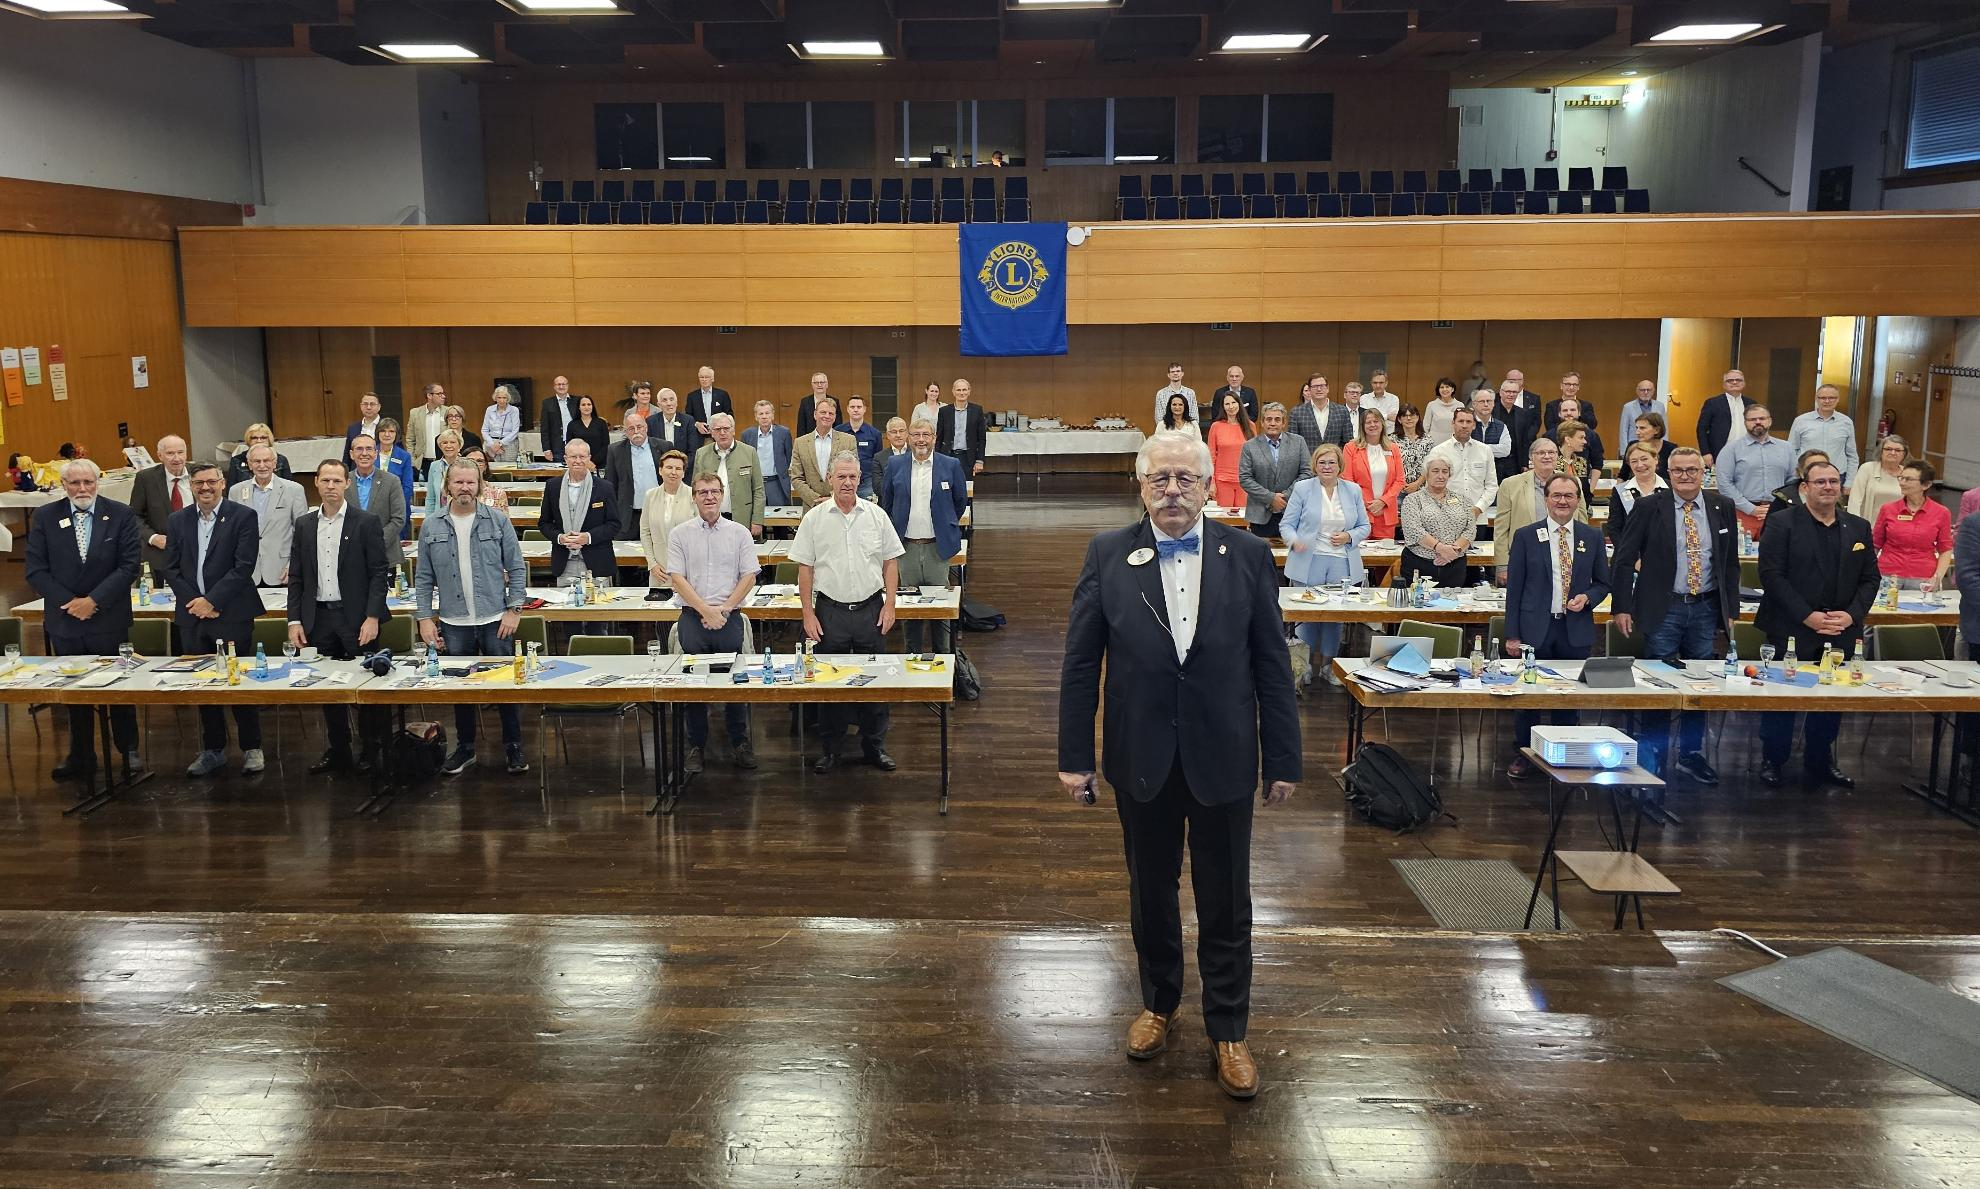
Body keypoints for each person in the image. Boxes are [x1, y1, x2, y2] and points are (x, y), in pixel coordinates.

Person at [1056, 429, 1298, 1101]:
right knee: (1151, 893)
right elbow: (1080, 667)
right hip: (1142, 759)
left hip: (1224, 756)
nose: (1170, 490)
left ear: (1206, 486)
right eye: (1158, 478)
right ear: (1141, 486)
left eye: (1183, 479)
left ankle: (1228, 1027)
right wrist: (1074, 755)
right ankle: (1159, 1002)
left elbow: (1274, 668)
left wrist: (1283, 755)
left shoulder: (1247, 554)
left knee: (1227, 900)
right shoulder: (1107, 554)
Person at [1610, 446, 1738, 784]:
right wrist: (1621, 606)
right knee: (1659, 683)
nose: (1685, 476)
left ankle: (1690, 754)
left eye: (1692, 470)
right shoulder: (1649, 506)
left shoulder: (1721, 506)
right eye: (1678, 470)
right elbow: (1624, 559)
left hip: (1706, 607)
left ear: (1702, 472)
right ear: (1668, 472)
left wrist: (1731, 612)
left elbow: (1730, 563)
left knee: (1700, 686)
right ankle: (1652, 752)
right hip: (1663, 606)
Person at [1754, 461, 1878, 789]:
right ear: (1804, 488)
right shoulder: (1781, 523)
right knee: (1782, 697)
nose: (1827, 487)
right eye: (1820, 481)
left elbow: (1870, 578)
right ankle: (1773, 759)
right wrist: (1807, 615)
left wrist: (1851, 615)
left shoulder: (1859, 527)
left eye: (1833, 481)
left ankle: (1820, 759)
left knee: (1831, 697)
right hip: (1791, 626)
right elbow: (1771, 576)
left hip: (1840, 627)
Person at [26, 458, 142, 782]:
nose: (82, 489)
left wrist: (93, 601)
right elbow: (35, 569)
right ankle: (80, 755)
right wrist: (70, 603)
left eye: (87, 482)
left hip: (109, 617)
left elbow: (129, 565)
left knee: (119, 689)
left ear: (97, 482)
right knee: (74, 692)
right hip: (65, 621)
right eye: (74, 483)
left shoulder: (120, 514)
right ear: (63, 486)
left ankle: (128, 750)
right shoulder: (46, 516)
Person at [415, 457, 530, 776]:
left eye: (470, 482)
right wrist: (425, 618)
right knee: (461, 691)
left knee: (504, 687)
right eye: (458, 482)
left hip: (496, 619)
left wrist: (514, 608)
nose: (464, 488)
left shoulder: (497, 521)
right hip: (454, 623)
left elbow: (517, 567)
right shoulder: (432, 525)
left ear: (479, 485)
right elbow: (423, 577)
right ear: (447, 486)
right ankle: (465, 748)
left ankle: (514, 746)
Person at [792, 453, 904, 774]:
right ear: (830, 478)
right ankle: (831, 750)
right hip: (830, 612)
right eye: (841, 476)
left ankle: (874, 747)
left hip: (871, 609)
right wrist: (808, 614)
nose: (847, 483)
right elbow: (805, 569)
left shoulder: (876, 515)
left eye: (853, 477)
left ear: (860, 478)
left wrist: (891, 603)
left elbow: (890, 562)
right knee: (831, 683)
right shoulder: (814, 519)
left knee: (875, 683)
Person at [1503, 474, 1612, 781]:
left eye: (1569, 495)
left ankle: (1564, 752)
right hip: (1533, 629)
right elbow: (1515, 589)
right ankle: (1524, 753)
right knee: (1529, 697)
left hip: (1574, 630)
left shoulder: (1590, 537)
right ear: (1546, 499)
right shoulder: (1526, 536)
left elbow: (1604, 583)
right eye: (1556, 495)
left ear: (1578, 499)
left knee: (1569, 696)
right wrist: (1512, 634)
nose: (1562, 501)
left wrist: (1587, 598)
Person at [287, 459, 391, 775]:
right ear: (316, 483)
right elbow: (297, 577)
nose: (331, 486)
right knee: (328, 690)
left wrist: (372, 616)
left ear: (346, 483)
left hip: (357, 618)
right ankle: (339, 749)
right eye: (325, 480)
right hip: (318, 618)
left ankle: (371, 750)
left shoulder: (366, 521)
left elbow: (378, 573)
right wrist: (294, 620)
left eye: (337, 480)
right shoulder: (304, 524)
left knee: (368, 686)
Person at [163, 461, 265, 777]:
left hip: (231, 613)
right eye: (198, 483)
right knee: (203, 686)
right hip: (192, 615)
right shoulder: (177, 520)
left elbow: (243, 566)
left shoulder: (242, 516)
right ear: (190, 486)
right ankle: (213, 749)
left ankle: (252, 747)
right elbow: (171, 568)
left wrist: (213, 601)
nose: (205, 488)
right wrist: (197, 603)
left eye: (211, 482)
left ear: (222, 483)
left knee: (239, 683)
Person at [667, 471, 761, 774]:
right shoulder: (679, 534)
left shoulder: (739, 533)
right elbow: (677, 578)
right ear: (694, 497)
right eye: (703, 492)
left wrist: (724, 609)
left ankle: (740, 742)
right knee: (694, 682)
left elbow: (749, 575)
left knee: (735, 682)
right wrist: (705, 610)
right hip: (693, 619)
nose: (709, 497)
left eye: (714, 491)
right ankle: (696, 744)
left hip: (729, 616)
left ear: (722, 495)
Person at [1283, 443, 1371, 687]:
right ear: (1315, 465)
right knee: (1307, 616)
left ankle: (1329, 667)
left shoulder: (1352, 490)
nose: (1327, 466)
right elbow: (1286, 525)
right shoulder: (1302, 489)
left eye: (1331, 462)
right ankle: (1305, 666)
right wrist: (1295, 541)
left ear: (1339, 465)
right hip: (1308, 560)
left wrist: (1348, 536)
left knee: (1334, 617)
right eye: (1322, 462)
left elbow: (1365, 526)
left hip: (1341, 561)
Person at [880, 419, 968, 654]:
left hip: (937, 549)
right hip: (906, 549)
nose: (921, 439)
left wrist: (944, 524)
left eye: (925, 435)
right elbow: (886, 503)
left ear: (934, 437)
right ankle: (912, 656)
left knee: (940, 609)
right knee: (909, 609)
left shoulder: (950, 465)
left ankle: (944, 658)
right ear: (909, 437)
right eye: (916, 434)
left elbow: (959, 503)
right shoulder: (895, 464)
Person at [1493, 437, 1581, 577]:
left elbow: (1581, 522)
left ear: (1557, 457)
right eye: (1541, 453)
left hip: (1563, 555)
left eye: (1551, 452)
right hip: (1525, 557)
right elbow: (1501, 529)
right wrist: (1502, 565)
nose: (1547, 456)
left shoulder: (1573, 482)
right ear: (1531, 457)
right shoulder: (1510, 485)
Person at [539, 439, 621, 588]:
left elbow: (614, 524)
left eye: (582, 457)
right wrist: (560, 538)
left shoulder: (605, 487)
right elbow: (544, 523)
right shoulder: (552, 487)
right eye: (573, 457)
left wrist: (588, 537)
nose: (578, 461)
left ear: (589, 458)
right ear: (565, 459)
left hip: (597, 563)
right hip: (564, 562)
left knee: (600, 610)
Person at [230, 443, 307, 588]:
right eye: (257, 461)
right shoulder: (236, 491)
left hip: (282, 571)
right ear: (249, 464)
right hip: (247, 572)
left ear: (275, 463)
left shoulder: (294, 490)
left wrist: (294, 565)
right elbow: (232, 533)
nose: (262, 465)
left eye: (266, 461)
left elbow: (302, 533)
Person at [1717, 403, 1795, 537]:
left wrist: (1779, 505)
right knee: (1742, 556)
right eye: (1752, 420)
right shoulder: (1731, 449)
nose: (1757, 422)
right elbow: (1724, 483)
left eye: (1762, 418)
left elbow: (1793, 481)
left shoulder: (1786, 448)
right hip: (1742, 513)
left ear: (1770, 421)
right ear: (1745, 423)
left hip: (1778, 513)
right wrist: (1751, 509)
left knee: (1775, 555)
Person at [1872, 460, 1952, 591]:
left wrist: (1936, 578)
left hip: (1923, 577)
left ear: (1926, 485)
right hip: (1887, 575)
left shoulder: (1942, 513)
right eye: (1901, 477)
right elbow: (1875, 544)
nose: (1902, 482)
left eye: (1908, 479)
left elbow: (1945, 549)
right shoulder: (1887, 509)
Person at [1236, 402, 1309, 538]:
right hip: (1260, 515)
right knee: (1261, 557)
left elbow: (1307, 473)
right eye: (1268, 419)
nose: (1273, 423)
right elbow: (1245, 478)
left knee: (1293, 557)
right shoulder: (1249, 446)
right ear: (1262, 423)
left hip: (1292, 511)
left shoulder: (1298, 442)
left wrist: (1285, 496)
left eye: (1277, 419)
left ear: (1284, 423)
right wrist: (1270, 498)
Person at [1399, 458, 1475, 589]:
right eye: (1435, 471)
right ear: (1426, 474)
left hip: (1454, 565)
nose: (1440, 476)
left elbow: (1470, 530)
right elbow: (1413, 529)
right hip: (1419, 563)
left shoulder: (1463, 500)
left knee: (1452, 606)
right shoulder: (1413, 500)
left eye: (1445, 471)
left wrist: (1452, 552)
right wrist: (1441, 549)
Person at [693, 413, 766, 539]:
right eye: (717, 429)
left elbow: (758, 490)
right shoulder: (701, 454)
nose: (722, 433)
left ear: (733, 430)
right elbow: (695, 490)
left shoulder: (749, 452)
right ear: (711, 432)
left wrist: (757, 520)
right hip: (710, 519)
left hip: (742, 519)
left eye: (726, 428)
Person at [130, 433, 193, 574]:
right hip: (161, 553)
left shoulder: (200, 474)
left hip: (198, 549)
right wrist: (153, 538)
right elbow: (134, 516)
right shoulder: (146, 479)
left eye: (180, 452)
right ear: (160, 456)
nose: (177, 458)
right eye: (170, 453)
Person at [1425, 409, 1495, 525]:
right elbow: (1431, 487)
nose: (1464, 425)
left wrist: (1478, 508)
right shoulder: (1438, 451)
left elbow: (1491, 486)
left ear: (1473, 425)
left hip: (1478, 518)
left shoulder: (1485, 451)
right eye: (1460, 421)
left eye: (1468, 422)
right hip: (1446, 519)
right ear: (1453, 423)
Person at [604, 410, 666, 541]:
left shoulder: (664, 447)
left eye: (639, 427)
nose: (636, 431)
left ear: (646, 428)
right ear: (625, 432)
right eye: (631, 428)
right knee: (625, 557)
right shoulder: (615, 450)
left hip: (659, 514)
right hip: (628, 517)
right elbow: (610, 485)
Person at [1343, 408, 1403, 542]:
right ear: (1362, 427)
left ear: (1382, 424)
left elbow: (1400, 480)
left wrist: (1382, 502)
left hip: (1386, 513)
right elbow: (1347, 480)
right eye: (1368, 422)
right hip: (1360, 512)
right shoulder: (1351, 448)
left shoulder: (1393, 448)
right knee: (1359, 556)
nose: (1372, 425)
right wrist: (1368, 504)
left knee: (1384, 558)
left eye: (1376, 421)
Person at [638, 450, 694, 593]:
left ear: (683, 473)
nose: (673, 472)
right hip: (659, 571)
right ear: (660, 470)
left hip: (689, 571)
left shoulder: (693, 495)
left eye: (678, 468)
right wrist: (652, 564)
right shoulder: (650, 496)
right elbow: (645, 532)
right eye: (669, 467)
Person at [1787, 385, 1858, 492]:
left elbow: (1852, 455)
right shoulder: (1800, 421)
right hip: (1807, 476)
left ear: (1838, 399)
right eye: (1823, 398)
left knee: (1832, 508)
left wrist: (1850, 482)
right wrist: (1795, 477)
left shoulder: (1846, 422)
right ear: (1816, 399)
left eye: (1831, 398)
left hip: (1837, 476)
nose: (1827, 401)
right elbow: (1791, 451)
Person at [346, 434, 407, 551]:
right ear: (351, 454)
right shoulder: (342, 482)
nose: (364, 453)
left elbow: (398, 519)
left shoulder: (392, 481)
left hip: (384, 551)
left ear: (376, 453)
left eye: (369, 449)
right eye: (359, 449)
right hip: (350, 551)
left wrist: (375, 541)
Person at [792, 398, 856, 510]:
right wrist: (815, 499)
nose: (827, 416)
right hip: (811, 506)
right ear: (815, 414)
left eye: (831, 413)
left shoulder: (848, 441)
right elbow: (796, 477)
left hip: (840, 505)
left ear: (835, 417)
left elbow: (852, 474)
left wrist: (833, 498)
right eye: (823, 412)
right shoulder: (800, 443)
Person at [1605, 441, 1669, 542]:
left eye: (1644, 459)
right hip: (1629, 554)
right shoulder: (1619, 491)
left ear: (1655, 459)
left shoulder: (1671, 488)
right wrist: (1630, 555)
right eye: (1634, 461)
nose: (1640, 465)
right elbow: (1614, 529)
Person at [742, 400, 795, 507]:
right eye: (761, 414)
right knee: (757, 520)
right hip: (756, 484)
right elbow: (744, 460)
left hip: (777, 483)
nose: (764, 416)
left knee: (779, 520)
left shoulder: (784, 433)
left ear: (773, 415)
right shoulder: (747, 435)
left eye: (767, 413)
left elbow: (789, 456)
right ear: (756, 417)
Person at [1206, 392, 1253, 508]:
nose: (1231, 407)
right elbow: (1210, 457)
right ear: (1223, 407)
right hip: (1222, 481)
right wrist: (1211, 483)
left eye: (1233, 402)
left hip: (1245, 481)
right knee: (1224, 521)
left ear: (1239, 404)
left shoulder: (1250, 426)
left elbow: (1254, 457)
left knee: (1243, 522)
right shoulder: (1216, 426)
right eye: (1227, 404)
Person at [1694, 369, 1747, 470]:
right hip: (1720, 453)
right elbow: (1701, 429)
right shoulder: (1713, 403)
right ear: (1724, 385)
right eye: (1730, 380)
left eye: (1738, 380)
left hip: (1746, 453)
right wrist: (1705, 452)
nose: (1734, 382)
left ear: (1744, 383)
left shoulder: (1751, 403)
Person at [1849, 434, 1909, 522]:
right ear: (1881, 451)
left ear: (1904, 454)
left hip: (1897, 527)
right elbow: (1854, 500)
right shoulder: (1867, 468)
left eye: (1898, 450)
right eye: (1888, 449)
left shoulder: (1908, 474)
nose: (1893, 453)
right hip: (1869, 527)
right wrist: (1856, 525)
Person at [937, 378, 988, 478]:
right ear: (953, 392)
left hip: (968, 458)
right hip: (947, 456)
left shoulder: (977, 410)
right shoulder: (944, 411)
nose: (961, 393)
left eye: (964, 390)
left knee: (966, 489)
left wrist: (980, 460)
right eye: (958, 390)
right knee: (946, 487)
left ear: (969, 391)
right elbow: (939, 437)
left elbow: (981, 438)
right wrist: (937, 458)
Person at [1287, 374, 1353, 450]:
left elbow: (1348, 442)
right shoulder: (1297, 412)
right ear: (1309, 389)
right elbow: (1293, 444)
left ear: (1327, 388)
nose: (1319, 389)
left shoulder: (1342, 411)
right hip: (1308, 460)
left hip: (1334, 459)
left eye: (1322, 386)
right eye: (1315, 386)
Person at [375, 418, 417, 532]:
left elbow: (407, 486)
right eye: (383, 431)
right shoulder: (369, 453)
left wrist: (395, 505)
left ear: (396, 434)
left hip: (397, 509)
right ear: (378, 433)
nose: (387, 434)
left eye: (391, 431)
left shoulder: (404, 456)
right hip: (373, 508)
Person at [224, 423, 295, 489]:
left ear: (269, 440)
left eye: (263, 438)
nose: (259, 441)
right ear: (248, 440)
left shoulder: (281, 460)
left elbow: (289, 488)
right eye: (254, 438)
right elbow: (231, 490)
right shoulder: (237, 460)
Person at [841, 396, 884, 497]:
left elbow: (877, 459)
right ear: (847, 409)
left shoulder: (875, 434)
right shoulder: (838, 431)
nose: (855, 410)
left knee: (865, 511)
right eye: (852, 407)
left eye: (859, 407)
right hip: (843, 481)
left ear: (864, 409)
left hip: (867, 482)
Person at [1615, 381, 1665, 465]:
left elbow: (1664, 427)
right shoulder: (1628, 407)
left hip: (1655, 447)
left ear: (1653, 391)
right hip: (1634, 447)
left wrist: (1663, 447)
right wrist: (1624, 452)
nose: (1645, 392)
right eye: (1642, 390)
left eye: (1648, 390)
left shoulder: (1660, 406)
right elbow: (1623, 430)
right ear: (1637, 391)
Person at [1555, 419, 1601, 506]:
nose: (1585, 441)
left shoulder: (1581, 461)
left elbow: (1585, 490)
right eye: (1581, 437)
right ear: (1568, 439)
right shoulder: (1552, 462)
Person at [646, 387, 700, 461]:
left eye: (672, 399)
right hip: (659, 467)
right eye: (664, 400)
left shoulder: (688, 421)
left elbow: (693, 451)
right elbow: (649, 450)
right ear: (659, 404)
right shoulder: (651, 422)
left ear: (676, 402)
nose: (669, 403)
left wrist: (682, 468)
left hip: (683, 467)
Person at [1473, 389, 1515, 482]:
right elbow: (1465, 448)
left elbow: (1505, 450)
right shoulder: (1467, 423)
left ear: (1493, 404)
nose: (1486, 404)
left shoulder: (1501, 426)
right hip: (1471, 475)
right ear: (1474, 404)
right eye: (1482, 401)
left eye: (1489, 401)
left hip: (1495, 475)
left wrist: (1478, 447)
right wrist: (1493, 448)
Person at [423, 430, 466, 518]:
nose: (448, 446)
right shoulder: (434, 466)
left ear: (459, 445)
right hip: (440, 516)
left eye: (452, 442)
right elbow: (431, 498)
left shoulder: (467, 465)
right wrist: (429, 520)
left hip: (462, 515)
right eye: (445, 443)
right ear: (440, 446)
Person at [1394, 402, 1432, 494]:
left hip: (1422, 490)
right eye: (1405, 416)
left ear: (1418, 417)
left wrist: (1417, 483)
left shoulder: (1427, 440)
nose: (1409, 418)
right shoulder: (1391, 440)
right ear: (1399, 419)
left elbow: (1430, 465)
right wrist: (1402, 484)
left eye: (1412, 415)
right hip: (1398, 490)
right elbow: (1390, 466)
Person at [537, 375, 576, 461]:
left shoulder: (577, 401)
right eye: (558, 384)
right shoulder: (547, 403)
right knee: (559, 472)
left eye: (564, 384)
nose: (561, 387)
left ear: (568, 385)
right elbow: (544, 428)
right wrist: (546, 449)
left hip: (576, 443)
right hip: (557, 446)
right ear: (554, 387)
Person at [1542, 372, 1594, 437]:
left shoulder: (1586, 405)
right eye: (1567, 384)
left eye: (1575, 384)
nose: (1571, 387)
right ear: (1561, 386)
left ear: (1578, 387)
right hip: (1558, 440)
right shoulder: (1551, 405)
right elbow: (1549, 427)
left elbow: (1592, 425)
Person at [685, 365, 731, 437]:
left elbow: (729, 415)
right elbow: (688, 417)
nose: (704, 379)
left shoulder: (722, 395)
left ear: (712, 379)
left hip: (719, 435)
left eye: (707, 377)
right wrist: (697, 424)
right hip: (698, 436)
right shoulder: (692, 396)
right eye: (701, 377)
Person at [410, 385, 450, 467]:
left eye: (443, 393)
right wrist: (412, 460)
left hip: (444, 460)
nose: (443, 396)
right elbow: (410, 439)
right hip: (422, 462)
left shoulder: (448, 411)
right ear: (429, 395)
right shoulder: (415, 413)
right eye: (439, 394)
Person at [563, 394, 611, 464]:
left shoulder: (601, 423)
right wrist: (582, 461)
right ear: (579, 407)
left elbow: (606, 445)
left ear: (592, 406)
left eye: (589, 404)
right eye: (583, 405)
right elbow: (569, 446)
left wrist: (592, 462)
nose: (586, 407)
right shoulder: (572, 425)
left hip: (599, 464)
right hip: (579, 463)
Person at [1631, 410, 1677, 479]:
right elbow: (1623, 475)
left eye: (1642, 428)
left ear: (1657, 430)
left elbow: (1675, 475)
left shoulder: (1671, 449)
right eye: (1637, 428)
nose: (1637, 432)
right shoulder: (1632, 446)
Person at [481, 384, 522, 462]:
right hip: (491, 444)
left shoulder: (514, 410)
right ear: (495, 398)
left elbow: (515, 431)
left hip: (509, 444)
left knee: (508, 469)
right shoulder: (489, 409)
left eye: (504, 398)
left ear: (508, 398)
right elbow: (484, 430)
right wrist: (492, 444)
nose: (501, 400)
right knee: (491, 470)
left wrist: (500, 443)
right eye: (499, 397)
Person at [344, 392, 383, 465]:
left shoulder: (387, 427)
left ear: (379, 407)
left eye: (372, 404)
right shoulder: (353, 428)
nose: (368, 407)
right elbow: (347, 455)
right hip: (356, 471)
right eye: (365, 404)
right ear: (361, 406)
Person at [1153, 362, 1196, 429]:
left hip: (1187, 432)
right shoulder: (1161, 394)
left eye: (1178, 371)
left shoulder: (1190, 393)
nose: (1175, 373)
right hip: (1167, 432)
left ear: (1182, 374)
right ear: (1168, 375)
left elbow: (1194, 417)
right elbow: (1159, 419)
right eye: (1172, 372)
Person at [1422, 378, 1462, 443]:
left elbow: (1461, 425)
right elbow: (1425, 426)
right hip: (1434, 442)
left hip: (1453, 441)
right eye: (1442, 387)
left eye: (1447, 387)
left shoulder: (1459, 405)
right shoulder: (1432, 405)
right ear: (1438, 390)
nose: (1444, 389)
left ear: (1452, 389)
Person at [1365, 369, 1399, 434]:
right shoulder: (1364, 398)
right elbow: (1366, 418)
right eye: (1375, 383)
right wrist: (1387, 416)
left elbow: (1393, 419)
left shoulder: (1394, 399)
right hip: (1369, 434)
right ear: (1371, 383)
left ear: (1386, 383)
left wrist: (1373, 417)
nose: (1378, 385)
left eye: (1381, 383)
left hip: (1389, 434)